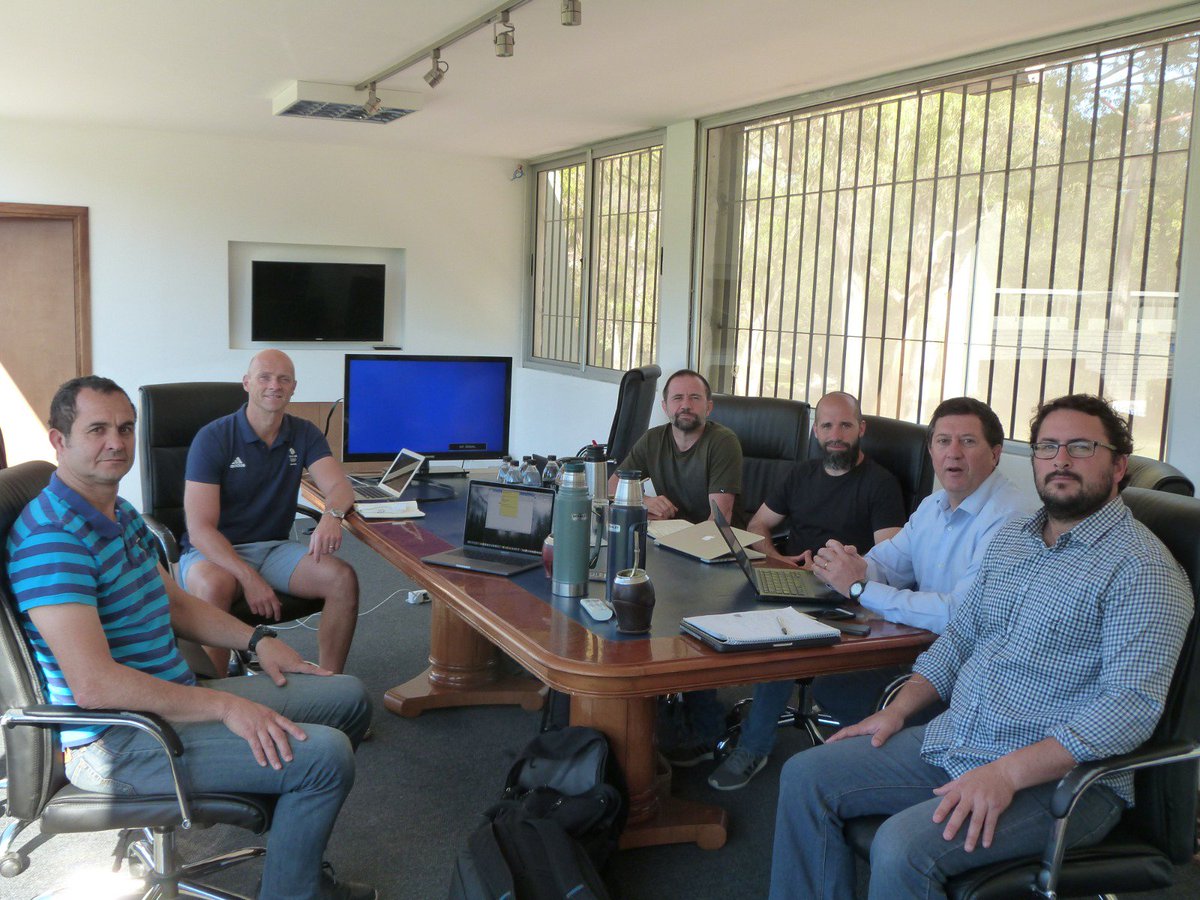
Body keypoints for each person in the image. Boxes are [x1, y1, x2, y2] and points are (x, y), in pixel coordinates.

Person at [769, 394, 1193, 900]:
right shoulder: (1015, 538)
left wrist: (1008, 773)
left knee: (902, 847)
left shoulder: (1142, 569)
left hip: (1062, 783)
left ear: (1119, 465)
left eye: (1081, 447)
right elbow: (962, 638)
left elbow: (1130, 709)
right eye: (1047, 447)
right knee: (805, 776)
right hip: (962, 739)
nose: (1060, 460)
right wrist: (898, 712)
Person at [6, 376, 376, 900]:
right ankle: (295, 886)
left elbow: (175, 603)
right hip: (120, 737)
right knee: (325, 757)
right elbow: (94, 687)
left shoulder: (117, 512)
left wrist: (257, 641)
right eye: (97, 430)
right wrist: (225, 708)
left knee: (349, 698)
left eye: (125, 428)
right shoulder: (52, 541)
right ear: (59, 442)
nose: (117, 441)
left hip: (169, 696)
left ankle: (287, 837)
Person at [704, 391, 906, 790]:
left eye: (846, 425)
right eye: (827, 426)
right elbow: (758, 525)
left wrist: (840, 570)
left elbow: (894, 557)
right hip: (795, 580)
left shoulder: (881, 484)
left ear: (861, 429)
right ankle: (700, 721)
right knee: (716, 608)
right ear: (815, 431)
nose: (836, 435)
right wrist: (778, 558)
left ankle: (755, 745)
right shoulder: (800, 474)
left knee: (781, 636)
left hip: (851, 597)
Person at [808, 396, 1034, 727]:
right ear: (931, 451)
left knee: (840, 688)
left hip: (971, 676)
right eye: (943, 441)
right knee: (830, 681)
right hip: (922, 650)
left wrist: (859, 588)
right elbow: (887, 564)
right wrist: (849, 566)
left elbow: (957, 614)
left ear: (995, 453)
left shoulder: (1011, 518)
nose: (953, 452)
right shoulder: (933, 505)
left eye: (968, 441)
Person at [180, 349, 360, 675]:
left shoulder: (304, 433)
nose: (274, 385)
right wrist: (249, 579)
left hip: (273, 548)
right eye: (264, 377)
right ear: (247, 383)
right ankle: (217, 696)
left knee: (341, 579)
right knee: (215, 586)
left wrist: (332, 516)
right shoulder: (213, 438)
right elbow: (200, 530)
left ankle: (330, 682)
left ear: (294, 388)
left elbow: (340, 487)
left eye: (283, 379)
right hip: (213, 552)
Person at [610, 368, 742, 524]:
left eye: (695, 397)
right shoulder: (652, 440)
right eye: (678, 398)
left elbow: (719, 520)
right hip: (669, 533)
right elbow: (612, 487)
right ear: (665, 407)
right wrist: (642, 500)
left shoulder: (723, 442)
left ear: (709, 407)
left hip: (714, 540)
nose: (685, 405)